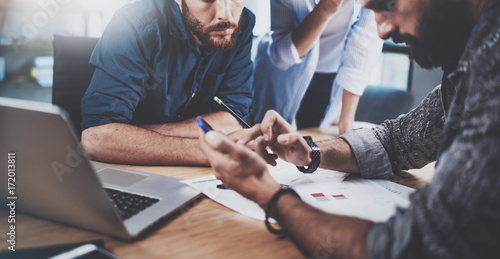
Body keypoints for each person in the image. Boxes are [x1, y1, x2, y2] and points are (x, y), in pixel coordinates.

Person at [199, 0, 500, 257]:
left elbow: (413, 245)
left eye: (389, 5)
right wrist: (311, 153)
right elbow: (397, 142)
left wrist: (271, 196)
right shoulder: (468, 59)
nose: (382, 29)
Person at [80, 0, 254, 165]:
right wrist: (208, 150)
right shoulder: (133, 22)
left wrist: (131, 135)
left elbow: (232, 119)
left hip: (191, 175)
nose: (227, 15)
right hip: (129, 169)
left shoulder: (241, 24)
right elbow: (97, 138)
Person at [252, 0, 383, 134]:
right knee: (268, 138)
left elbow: (362, 48)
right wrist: (325, 9)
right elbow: (282, 58)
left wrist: (346, 125)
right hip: (281, 75)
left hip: (332, 76)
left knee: (317, 141)